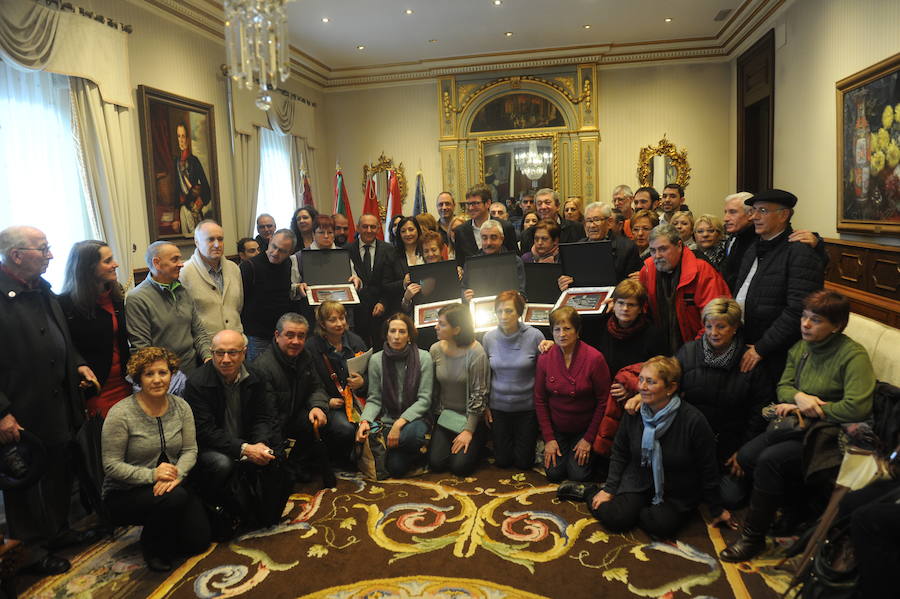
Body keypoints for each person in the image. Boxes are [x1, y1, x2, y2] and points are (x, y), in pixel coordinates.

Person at [720, 290, 875, 562]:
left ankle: (752, 538)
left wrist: (817, 408)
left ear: (836, 325)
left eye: (815, 320)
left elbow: (858, 407)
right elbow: (783, 387)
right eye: (804, 317)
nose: (805, 324)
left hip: (831, 434)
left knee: (770, 460)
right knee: (746, 455)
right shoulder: (801, 348)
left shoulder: (853, 355)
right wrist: (799, 398)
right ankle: (794, 511)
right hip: (799, 425)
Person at [0, 226, 97, 576]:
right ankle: (30, 552)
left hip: (58, 405)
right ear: (16, 255)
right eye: (43, 249)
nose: (50, 255)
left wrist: (79, 364)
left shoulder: (41, 289)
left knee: (58, 472)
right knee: (25, 483)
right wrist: (2, 414)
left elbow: (60, 339)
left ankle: (57, 532)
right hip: (20, 411)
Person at [588, 356, 732, 538]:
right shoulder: (634, 412)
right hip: (639, 479)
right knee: (616, 519)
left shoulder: (693, 421)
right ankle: (588, 492)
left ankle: (640, 511)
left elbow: (708, 466)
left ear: (670, 388)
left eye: (650, 382)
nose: (641, 387)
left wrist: (716, 508)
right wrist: (609, 489)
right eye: (640, 379)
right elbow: (620, 452)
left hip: (677, 489)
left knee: (659, 526)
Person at [101, 347, 210, 571]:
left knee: (198, 542)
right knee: (175, 498)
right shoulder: (120, 413)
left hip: (172, 484)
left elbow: (190, 449)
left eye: (163, 372)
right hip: (124, 492)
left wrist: (177, 474)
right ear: (138, 378)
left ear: (172, 374)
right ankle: (152, 546)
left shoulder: (181, 406)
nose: (158, 379)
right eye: (149, 374)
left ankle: (166, 526)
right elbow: (111, 465)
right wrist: (152, 474)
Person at [674, 298, 771, 505]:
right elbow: (668, 386)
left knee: (731, 499)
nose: (713, 333)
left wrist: (745, 453)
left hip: (731, 445)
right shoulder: (688, 352)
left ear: (735, 328)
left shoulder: (749, 361)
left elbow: (759, 412)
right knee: (677, 488)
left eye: (721, 326)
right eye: (708, 326)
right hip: (693, 441)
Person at [732, 189, 825, 385]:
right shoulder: (754, 247)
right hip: (747, 342)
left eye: (763, 211)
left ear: (783, 215)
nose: (754, 217)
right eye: (753, 210)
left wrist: (761, 348)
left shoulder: (800, 251)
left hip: (774, 354)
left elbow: (798, 310)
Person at [183, 330, 277, 506]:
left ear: (244, 352)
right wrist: (244, 449)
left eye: (232, 352)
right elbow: (204, 431)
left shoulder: (257, 375)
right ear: (211, 353)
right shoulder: (196, 383)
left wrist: (260, 444)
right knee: (222, 463)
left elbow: (263, 417)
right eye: (219, 353)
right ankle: (214, 507)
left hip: (247, 440)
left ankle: (255, 508)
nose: (225, 359)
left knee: (272, 452)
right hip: (211, 447)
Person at [250, 313, 332, 482]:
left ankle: (298, 464)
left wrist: (317, 406)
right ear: (277, 336)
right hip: (270, 425)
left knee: (318, 420)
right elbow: (268, 418)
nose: (296, 341)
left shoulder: (305, 356)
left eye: (301, 336)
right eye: (290, 335)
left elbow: (317, 387)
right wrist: (280, 460)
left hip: (293, 415)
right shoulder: (263, 367)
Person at [534, 306, 610, 482]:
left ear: (577, 331)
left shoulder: (594, 359)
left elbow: (603, 401)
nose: (562, 334)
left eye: (567, 329)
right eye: (557, 329)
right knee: (554, 474)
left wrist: (588, 439)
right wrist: (549, 438)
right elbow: (540, 400)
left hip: (585, 427)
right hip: (557, 427)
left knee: (578, 475)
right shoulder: (544, 359)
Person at [59, 240, 131, 418]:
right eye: (107, 261)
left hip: (125, 384)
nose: (115, 264)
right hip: (96, 388)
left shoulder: (115, 295)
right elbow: (66, 347)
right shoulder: (65, 304)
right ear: (88, 268)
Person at [357, 314, 434, 479]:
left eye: (402, 331)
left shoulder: (424, 357)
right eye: (392, 331)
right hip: (388, 420)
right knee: (396, 469)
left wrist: (399, 425)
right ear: (386, 334)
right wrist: (364, 421)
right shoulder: (376, 360)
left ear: (409, 336)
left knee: (412, 436)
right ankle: (416, 453)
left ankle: (410, 445)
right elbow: (374, 399)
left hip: (416, 419)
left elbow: (425, 400)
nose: (397, 336)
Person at [639, 224, 731, 355]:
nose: (657, 256)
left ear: (679, 246)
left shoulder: (702, 271)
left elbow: (717, 319)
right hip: (660, 351)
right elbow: (641, 309)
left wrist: (693, 353)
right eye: (653, 250)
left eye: (663, 249)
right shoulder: (647, 271)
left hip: (700, 350)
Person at [126, 241, 212, 378]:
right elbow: (142, 350)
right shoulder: (137, 298)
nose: (181, 264)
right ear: (156, 263)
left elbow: (199, 332)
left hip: (193, 372)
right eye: (174, 259)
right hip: (163, 378)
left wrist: (209, 359)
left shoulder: (182, 290)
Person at [482, 291, 547, 470]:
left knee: (523, 463)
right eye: (499, 311)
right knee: (502, 461)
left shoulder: (535, 336)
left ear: (519, 313)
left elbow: (546, 371)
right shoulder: (488, 338)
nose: (503, 316)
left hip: (527, 409)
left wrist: (553, 346)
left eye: (509, 311)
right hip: (498, 408)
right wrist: (485, 406)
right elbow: (485, 374)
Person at [428, 304, 490, 476]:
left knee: (459, 468)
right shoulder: (435, 349)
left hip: (471, 417)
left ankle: (480, 442)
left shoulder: (476, 352)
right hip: (446, 416)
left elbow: (479, 394)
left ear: (456, 329)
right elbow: (432, 388)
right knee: (436, 463)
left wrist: (469, 430)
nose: (436, 326)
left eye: (441, 324)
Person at [304, 300, 368, 460]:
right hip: (332, 404)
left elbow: (371, 373)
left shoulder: (356, 341)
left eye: (342, 318)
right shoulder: (311, 347)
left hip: (357, 399)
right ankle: (340, 457)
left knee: (372, 424)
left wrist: (362, 382)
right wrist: (327, 401)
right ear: (322, 323)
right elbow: (311, 382)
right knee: (346, 428)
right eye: (333, 320)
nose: (340, 324)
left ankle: (359, 456)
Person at [240, 228, 299, 361]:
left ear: (290, 252)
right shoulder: (249, 267)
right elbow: (239, 302)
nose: (275, 253)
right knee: (259, 374)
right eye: (274, 246)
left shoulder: (288, 263)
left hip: (281, 333)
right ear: (270, 240)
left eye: (282, 251)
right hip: (257, 336)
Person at [349, 213, 405, 347]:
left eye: (373, 227)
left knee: (382, 349)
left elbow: (392, 280)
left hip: (382, 310)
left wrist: (383, 302)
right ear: (357, 228)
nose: (369, 230)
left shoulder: (389, 249)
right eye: (365, 226)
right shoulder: (347, 250)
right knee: (359, 349)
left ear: (379, 229)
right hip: (356, 312)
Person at [180, 220, 244, 336]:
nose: (217, 245)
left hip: (236, 344)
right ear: (197, 242)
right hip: (206, 347)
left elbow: (238, 306)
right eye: (210, 239)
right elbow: (183, 318)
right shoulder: (184, 273)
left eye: (220, 239)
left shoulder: (234, 268)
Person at [590, 279, 663, 379]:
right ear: (613, 304)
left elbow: (657, 372)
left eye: (631, 305)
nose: (625, 309)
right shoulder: (600, 328)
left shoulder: (653, 335)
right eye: (620, 303)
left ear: (641, 309)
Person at [557, 201, 641, 286]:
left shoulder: (627, 247)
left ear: (609, 222)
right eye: (589, 221)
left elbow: (631, 284)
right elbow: (571, 278)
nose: (592, 226)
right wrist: (564, 282)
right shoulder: (577, 247)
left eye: (596, 220)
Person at [454, 185, 518, 266]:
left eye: (475, 203)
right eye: (468, 204)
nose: (470, 208)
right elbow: (460, 263)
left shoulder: (505, 227)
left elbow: (513, 258)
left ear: (488, 203)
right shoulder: (460, 231)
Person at [461, 219, 526, 299]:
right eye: (484, 238)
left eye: (493, 238)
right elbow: (464, 289)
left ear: (501, 239)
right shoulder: (471, 264)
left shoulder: (515, 262)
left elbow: (522, 293)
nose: (489, 243)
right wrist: (466, 296)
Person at [173, 122, 212, 236]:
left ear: (188, 139)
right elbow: (175, 191)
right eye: (178, 136)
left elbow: (205, 185)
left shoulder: (194, 160)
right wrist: (175, 218)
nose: (181, 140)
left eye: (183, 136)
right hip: (183, 210)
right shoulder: (175, 162)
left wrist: (201, 200)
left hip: (194, 209)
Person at [519, 188, 583, 252]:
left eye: (547, 203)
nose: (543, 207)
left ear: (557, 206)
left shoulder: (576, 228)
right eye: (539, 204)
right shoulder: (527, 234)